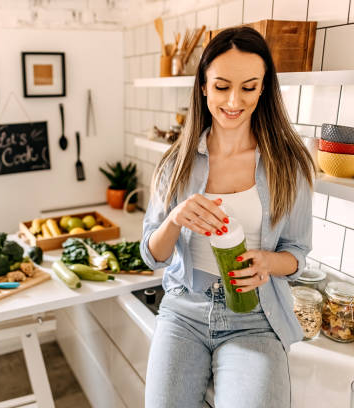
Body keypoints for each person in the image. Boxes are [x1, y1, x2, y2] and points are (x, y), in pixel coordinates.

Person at [141, 26, 315, 408]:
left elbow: (298, 253)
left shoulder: (290, 164)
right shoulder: (177, 163)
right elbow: (153, 255)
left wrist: (269, 261)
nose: (234, 100)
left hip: (255, 318)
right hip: (184, 311)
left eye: (249, 87)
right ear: (203, 87)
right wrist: (175, 219)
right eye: (221, 86)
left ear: (264, 89)